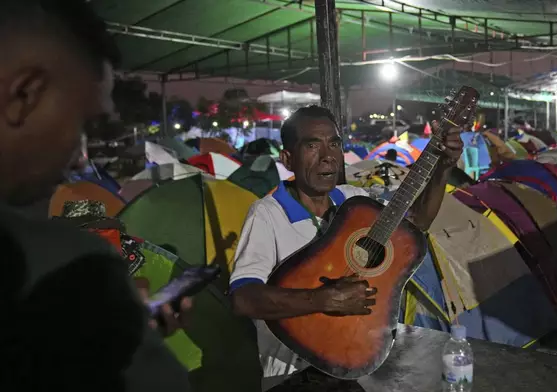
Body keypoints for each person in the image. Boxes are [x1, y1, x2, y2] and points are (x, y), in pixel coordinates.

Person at [0, 1, 191, 391]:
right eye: (83, 123)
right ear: (25, 94)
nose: (80, 156)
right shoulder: (73, 271)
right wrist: (124, 327)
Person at [229, 105, 463, 390]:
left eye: (335, 144)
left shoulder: (355, 202)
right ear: (288, 159)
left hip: (362, 365)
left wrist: (443, 168)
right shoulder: (267, 214)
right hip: (292, 377)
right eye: (313, 145)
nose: (328, 157)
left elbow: (413, 225)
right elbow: (243, 298)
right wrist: (323, 299)